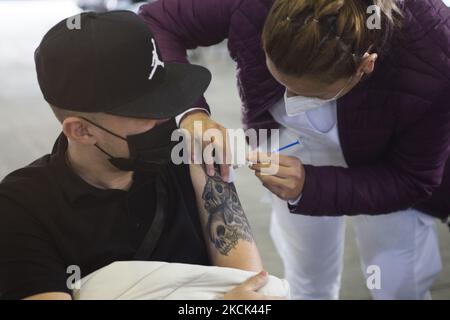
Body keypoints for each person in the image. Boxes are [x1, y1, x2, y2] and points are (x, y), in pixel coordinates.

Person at [139, 0, 450, 299]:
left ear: (365, 66)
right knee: (307, 276)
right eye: (278, 79)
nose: (288, 100)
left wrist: (312, 186)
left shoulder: (434, 49)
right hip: (292, 148)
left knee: (395, 279)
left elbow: (413, 178)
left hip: (388, 160)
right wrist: (191, 112)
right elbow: (157, 20)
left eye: (305, 93)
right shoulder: (252, 4)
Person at [0, 11, 280, 300]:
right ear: (82, 131)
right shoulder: (20, 208)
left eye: (168, 96)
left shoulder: (190, 151)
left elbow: (252, 286)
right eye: (148, 110)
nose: (167, 118)